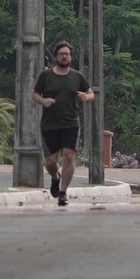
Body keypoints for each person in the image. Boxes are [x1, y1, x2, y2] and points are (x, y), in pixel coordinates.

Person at [32, 41, 94, 206]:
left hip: (70, 123)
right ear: (55, 57)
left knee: (69, 156)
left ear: (71, 57)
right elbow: (34, 94)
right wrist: (43, 101)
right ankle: (55, 177)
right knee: (50, 162)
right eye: (61, 54)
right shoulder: (46, 76)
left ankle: (63, 192)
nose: (64, 56)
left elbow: (90, 93)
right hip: (49, 124)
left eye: (67, 54)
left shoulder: (77, 76)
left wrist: (86, 97)